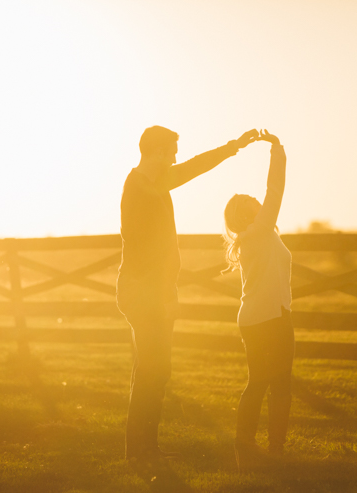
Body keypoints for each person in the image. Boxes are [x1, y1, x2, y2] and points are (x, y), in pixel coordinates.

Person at [117, 126, 259, 462]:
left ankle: (141, 449)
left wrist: (233, 147)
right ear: (157, 152)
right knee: (155, 369)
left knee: (151, 369)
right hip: (144, 292)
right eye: (172, 151)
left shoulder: (155, 183)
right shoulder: (138, 188)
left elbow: (197, 165)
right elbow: (142, 251)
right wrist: (165, 294)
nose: (176, 158)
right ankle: (142, 451)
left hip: (150, 291)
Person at [223, 130, 293, 472]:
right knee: (266, 383)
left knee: (277, 383)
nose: (258, 200)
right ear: (246, 213)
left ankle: (269, 447)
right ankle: (251, 445)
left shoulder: (262, 235)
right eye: (251, 199)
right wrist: (276, 150)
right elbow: (275, 191)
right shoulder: (257, 232)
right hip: (263, 318)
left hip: (273, 315)